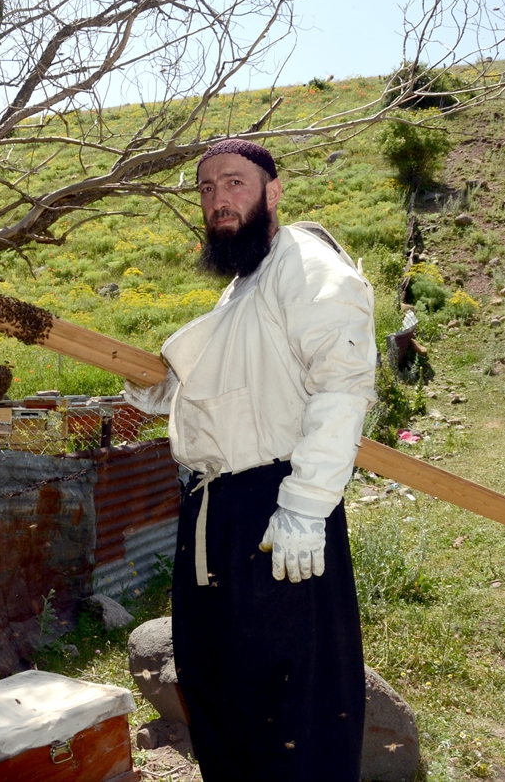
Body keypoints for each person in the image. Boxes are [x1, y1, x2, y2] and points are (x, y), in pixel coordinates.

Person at [125, 139, 377, 780]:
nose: (218, 200)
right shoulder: (244, 285)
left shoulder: (306, 265)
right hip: (215, 512)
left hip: (276, 508)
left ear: (273, 191)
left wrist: (304, 505)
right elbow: (247, 384)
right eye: (207, 189)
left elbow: (342, 384)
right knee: (220, 688)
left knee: (292, 703)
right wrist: (169, 389)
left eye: (233, 183)